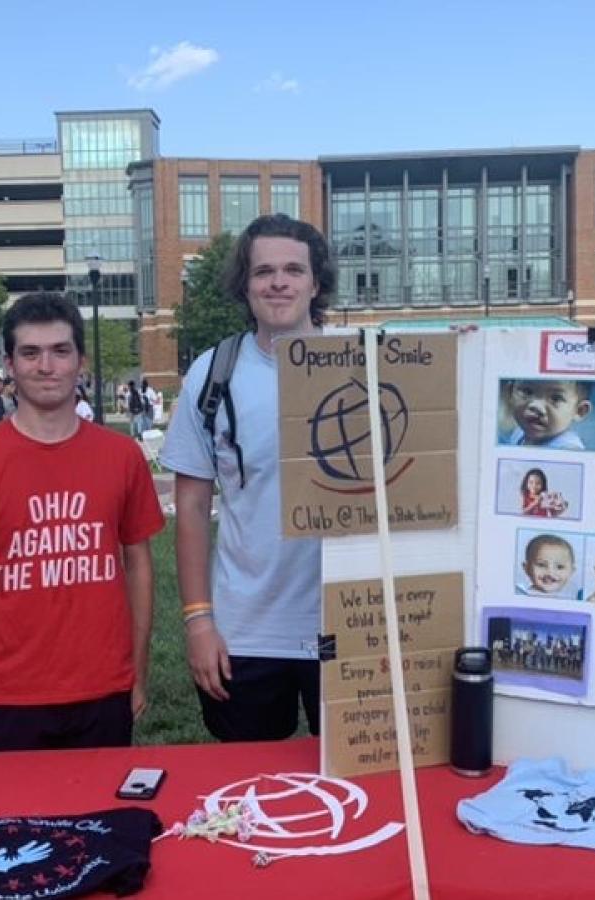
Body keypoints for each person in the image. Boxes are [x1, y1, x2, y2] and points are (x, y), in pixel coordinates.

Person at [0, 292, 164, 755]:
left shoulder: (121, 457)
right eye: (30, 353)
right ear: (10, 365)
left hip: (102, 688)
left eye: (60, 351)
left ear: (81, 360)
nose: (46, 366)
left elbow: (139, 565)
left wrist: (138, 669)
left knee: (101, 822)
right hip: (3, 693)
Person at [160, 214, 336, 743]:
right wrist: (198, 622)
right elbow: (190, 508)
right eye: (263, 271)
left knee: (363, 791)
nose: (277, 282)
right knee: (252, 793)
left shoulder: (363, 366)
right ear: (245, 284)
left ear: (316, 282)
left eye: (292, 269)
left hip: (347, 625)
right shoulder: (213, 372)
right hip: (247, 630)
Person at [501, 380, 592, 448]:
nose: (536, 406)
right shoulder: (518, 432)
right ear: (510, 393)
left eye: (556, 398)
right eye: (527, 391)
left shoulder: (568, 449)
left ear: (579, 411)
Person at [516, 533, 577, 599]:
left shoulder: (575, 597)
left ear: (571, 571)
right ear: (527, 568)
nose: (550, 573)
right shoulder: (521, 596)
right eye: (541, 565)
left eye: (560, 567)